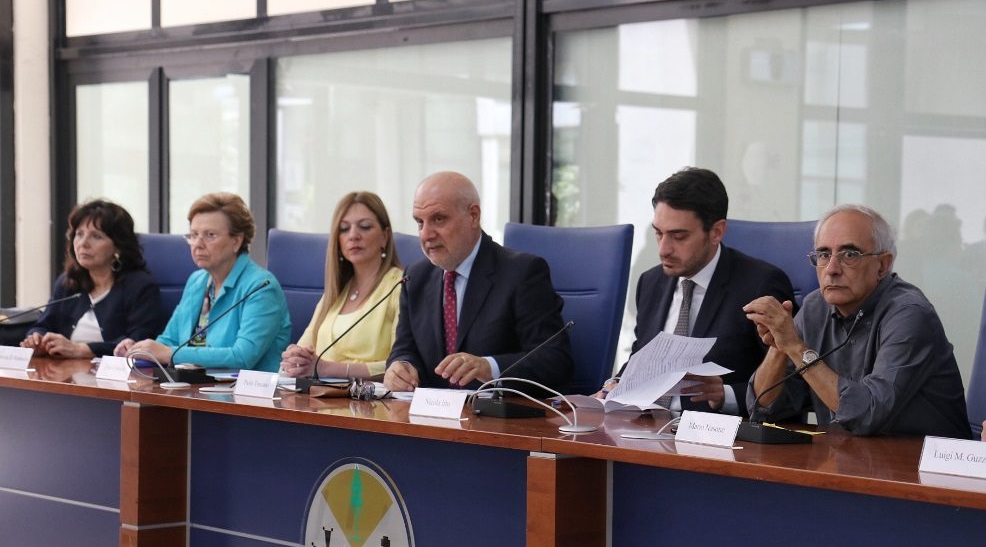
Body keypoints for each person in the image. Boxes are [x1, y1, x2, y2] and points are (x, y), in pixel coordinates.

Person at [744, 204, 970, 437]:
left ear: (882, 265)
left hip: (919, 458)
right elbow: (762, 408)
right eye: (824, 255)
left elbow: (868, 414)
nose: (831, 269)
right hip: (846, 453)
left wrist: (794, 346)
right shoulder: (814, 307)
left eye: (849, 255)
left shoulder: (910, 314)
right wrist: (779, 345)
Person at [599, 167, 794, 416]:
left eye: (678, 236)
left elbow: (792, 383)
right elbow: (642, 358)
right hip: (644, 425)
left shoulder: (759, 285)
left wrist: (726, 395)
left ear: (716, 232)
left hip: (713, 432)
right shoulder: (651, 282)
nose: (663, 249)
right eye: (658, 233)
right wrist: (614, 385)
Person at [384, 171, 572, 392]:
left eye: (439, 219)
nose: (426, 235)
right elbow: (405, 349)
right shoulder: (416, 277)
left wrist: (490, 367)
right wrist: (401, 367)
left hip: (494, 409)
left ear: (473, 216)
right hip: (431, 411)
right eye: (419, 222)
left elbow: (555, 359)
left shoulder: (522, 272)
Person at [115, 192, 290, 371]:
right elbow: (169, 340)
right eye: (193, 235)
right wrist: (140, 349)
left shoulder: (261, 287)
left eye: (210, 235)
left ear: (237, 241)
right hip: (192, 384)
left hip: (244, 387)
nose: (198, 244)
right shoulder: (197, 281)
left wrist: (169, 353)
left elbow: (242, 357)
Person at [280, 192, 402, 380]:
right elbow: (304, 347)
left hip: (371, 397)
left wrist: (326, 368)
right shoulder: (336, 292)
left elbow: (400, 367)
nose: (353, 235)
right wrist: (295, 358)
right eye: (344, 229)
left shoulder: (400, 286)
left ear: (385, 236)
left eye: (365, 226)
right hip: (320, 394)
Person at [21, 199, 162, 358]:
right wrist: (37, 339)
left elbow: (139, 342)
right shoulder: (68, 282)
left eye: (96, 236)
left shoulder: (140, 286)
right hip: (62, 369)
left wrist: (82, 350)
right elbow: (43, 325)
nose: (83, 243)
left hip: (114, 373)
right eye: (79, 234)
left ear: (118, 246)